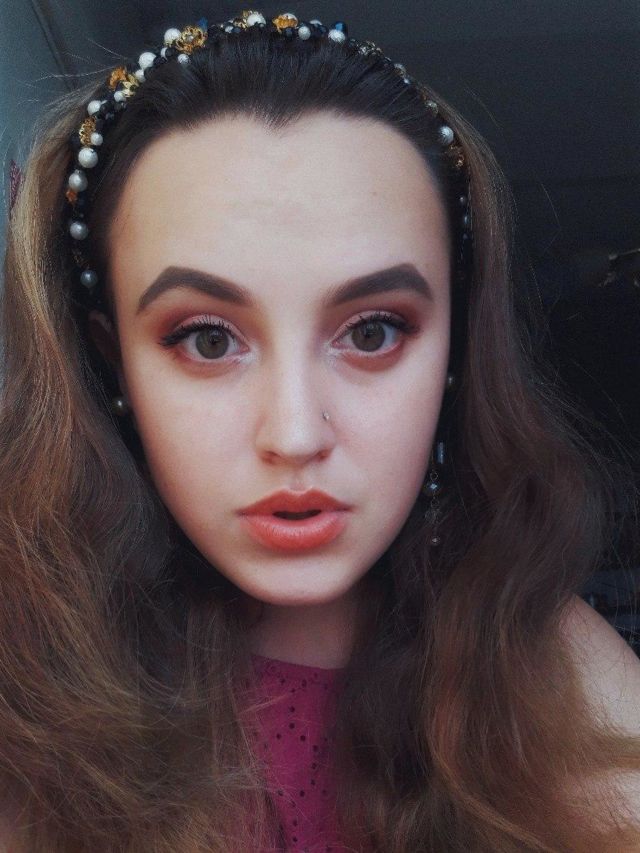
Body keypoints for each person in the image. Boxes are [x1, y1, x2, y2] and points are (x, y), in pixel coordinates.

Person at [1, 9, 640, 852]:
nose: (297, 434)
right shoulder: (27, 688)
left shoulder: (543, 661)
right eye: (207, 340)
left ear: (455, 351)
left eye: (372, 331)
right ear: (112, 363)